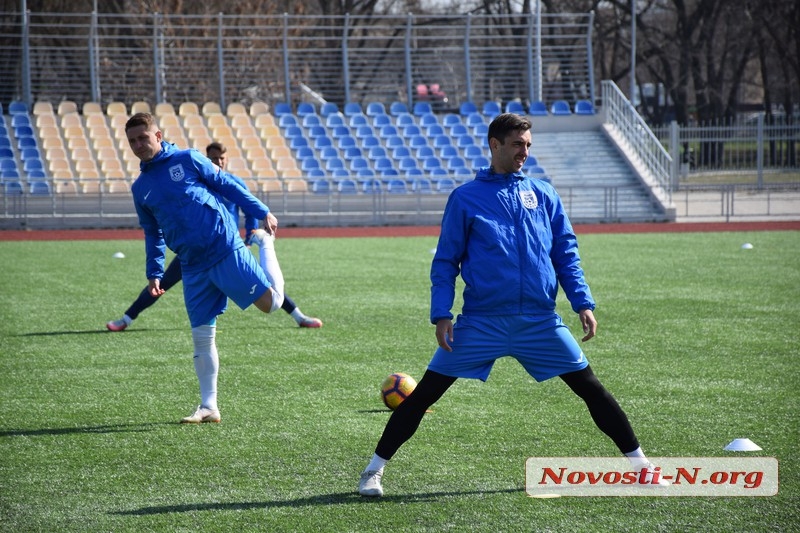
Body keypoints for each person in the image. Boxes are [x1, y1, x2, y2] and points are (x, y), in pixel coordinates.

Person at [358, 113, 666, 497]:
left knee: (591, 388)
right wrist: (442, 313)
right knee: (425, 396)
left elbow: (565, 252)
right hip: (481, 322)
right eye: (518, 144)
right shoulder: (465, 197)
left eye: (528, 145)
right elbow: (445, 261)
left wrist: (582, 301)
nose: (525, 152)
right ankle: (373, 472)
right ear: (495, 145)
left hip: (540, 321)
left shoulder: (544, 193)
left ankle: (642, 466)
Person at [123, 112, 288, 424]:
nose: (138, 144)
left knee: (271, 305)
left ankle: (267, 245)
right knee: (201, 336)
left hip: (224, 248)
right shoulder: (140, 188)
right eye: (132, 140)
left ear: (158, 136)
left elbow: (225, 184)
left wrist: (260, 210)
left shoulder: (187, 159)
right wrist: (154, 271)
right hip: (192, 266)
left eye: (143, 137)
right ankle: (208, 406)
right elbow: (152, 231)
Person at [106, 141, 322, 332]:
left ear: (226, 159)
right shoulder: (196, 177)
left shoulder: (232, 181)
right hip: (192, 253)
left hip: (228, 247)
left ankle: (299, 316)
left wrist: (249, 237)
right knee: (161, 284)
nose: (218, 161)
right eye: (213, 158)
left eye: (221, 158)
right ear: (207, 158)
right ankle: (126, 318)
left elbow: (247, 209)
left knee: (265, 289)